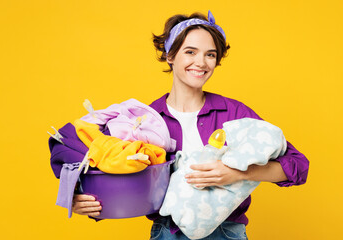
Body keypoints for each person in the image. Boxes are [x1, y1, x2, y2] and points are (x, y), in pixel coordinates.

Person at [72, 10, 309, 239]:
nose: (201, 62)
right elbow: (109, 167)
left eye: (210, 54)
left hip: (227, 234)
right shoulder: (144, 120)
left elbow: (298, 166)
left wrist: (236, 174)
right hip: (167, 233)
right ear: (171, 55)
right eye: (190, 51)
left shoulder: (235, 113)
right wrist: (84, 200)